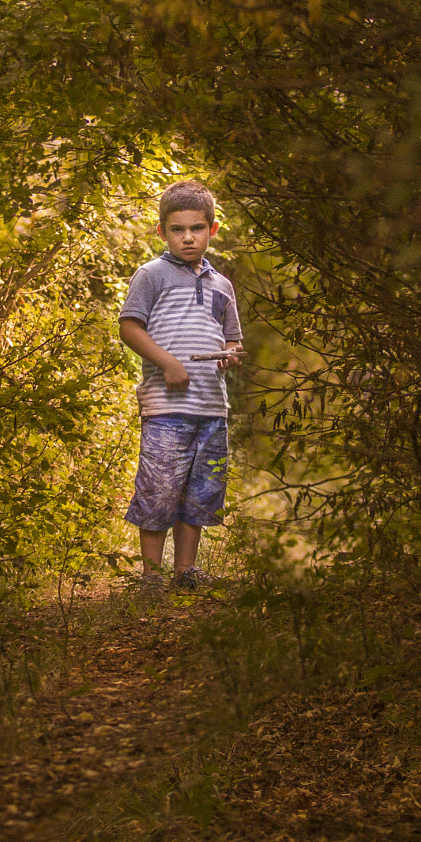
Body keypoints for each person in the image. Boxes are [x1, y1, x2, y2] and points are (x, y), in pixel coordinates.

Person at [117, 179, 243, 592]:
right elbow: (129, 327)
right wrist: (167, 362)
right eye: (177, 229)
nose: (188, 237)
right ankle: (151, 575)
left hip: (211, 407)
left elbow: (232, 338)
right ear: (162, 232)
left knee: (200, 492)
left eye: (197, 229)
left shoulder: (222, 285)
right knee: (159, 490)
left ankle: (185, 570)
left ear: (212, 230)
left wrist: (230, 353)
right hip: (166, 408)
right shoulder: (150, 275)